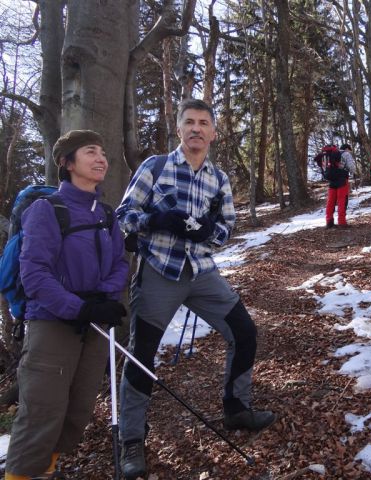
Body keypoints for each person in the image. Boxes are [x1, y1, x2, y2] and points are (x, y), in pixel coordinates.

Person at [116, 98, 275, 479]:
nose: (196, 129)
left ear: (213, 132)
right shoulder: (154, 167)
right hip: (159, 271)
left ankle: (236, 408)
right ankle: (132, 440)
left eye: (204, 123)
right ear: (179, 128)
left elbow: (227, 227)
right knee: (141, 354)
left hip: (202, 272)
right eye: (189, 122)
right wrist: (159, 219)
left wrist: (209, 232)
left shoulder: (218, 178)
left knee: (245, 332)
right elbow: (124, 215)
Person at [4, 130, 129, 480]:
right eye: (90, 152)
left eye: (103, 152)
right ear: (67, 163)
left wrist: (103, 298)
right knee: (42, 413)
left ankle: (48, 470)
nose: (101, 158)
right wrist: (79, 308)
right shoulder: (47, 211)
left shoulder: (107, 214)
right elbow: (34, 274)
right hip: (52, 325)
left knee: (78, 410)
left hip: (92, 325)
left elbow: (120, 262)